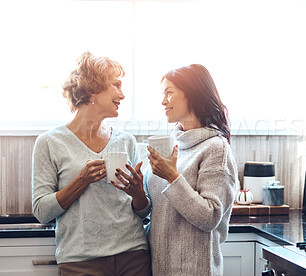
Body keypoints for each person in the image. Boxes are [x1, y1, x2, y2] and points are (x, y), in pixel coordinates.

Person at [32, 51, 151, 276]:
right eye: (116, 85)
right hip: (80, 261)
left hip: (133, 255)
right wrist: (81, 181)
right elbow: (42, 211)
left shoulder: (126, 141)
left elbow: (144, 210)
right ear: (93, 89)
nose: (122, 95)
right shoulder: (49, 142)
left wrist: (137, 194)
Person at [114, 64, 238, 276]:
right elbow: (151, 211)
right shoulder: (172, 145)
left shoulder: (216, 148)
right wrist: (137, 194)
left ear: (192, 94)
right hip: (159, 266)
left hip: (195, 269)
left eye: (169, 93)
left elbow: (210, 217)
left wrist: (172, 176)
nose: (163, 101)